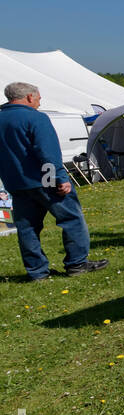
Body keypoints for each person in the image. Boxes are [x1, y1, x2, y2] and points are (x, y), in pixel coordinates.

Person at [0, 82, 107, 280]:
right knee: (71, 219)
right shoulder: (36, 118)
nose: (40, 103)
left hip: (15, 183)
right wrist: (60, 179)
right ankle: (77, 263)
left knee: (27, 228)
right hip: (44, 180)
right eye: (39, 98)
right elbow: (47, 152)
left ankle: (37, 272)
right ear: (30, 97)